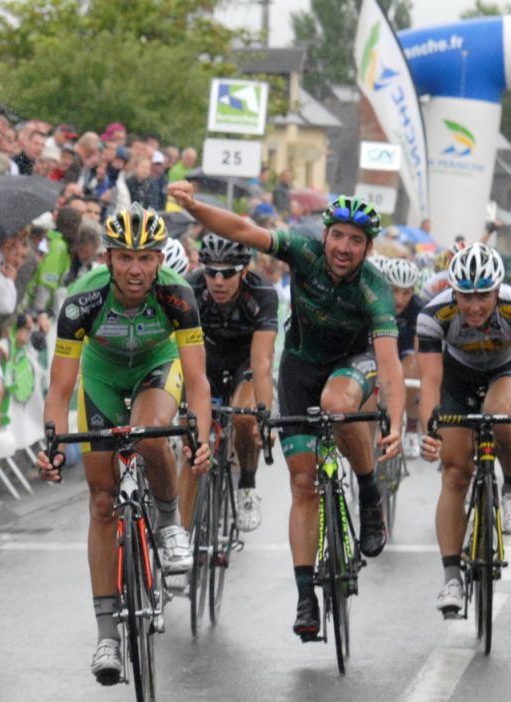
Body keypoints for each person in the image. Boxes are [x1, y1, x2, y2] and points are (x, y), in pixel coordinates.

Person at [169, 184, 406, 640]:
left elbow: (391, 364)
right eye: (338, 236)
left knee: (339, 409)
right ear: (326, 236)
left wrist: (394, 421)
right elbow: (243, 228)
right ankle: (304, 596)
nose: (344, 247)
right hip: (299, 366)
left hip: (353, 363)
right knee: (302, 481)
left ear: (368, 248)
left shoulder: (374, 289)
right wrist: (195, 207)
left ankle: (369, 492)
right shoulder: (303, 252)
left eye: (356, 241)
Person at [37, 203, 212, 685]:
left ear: (160, 261)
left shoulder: (178, 295)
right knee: (100, 502)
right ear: (108, 259)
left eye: (146, 258)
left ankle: (168, 522)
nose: (135, 269)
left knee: (151, 433)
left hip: (158, 367)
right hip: (103, 378)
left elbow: (197, 381)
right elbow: (59, 388)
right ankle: (107, 635)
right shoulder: (82, 300)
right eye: (125, 258)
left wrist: (199, 432)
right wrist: (52, 442)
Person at [418, 244, 511, 615]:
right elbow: (430, 382)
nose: (475, 305)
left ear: (498, 290)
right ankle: (451, 577)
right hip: (457, 376)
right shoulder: (434, 313)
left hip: (506, 369)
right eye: (466, 295)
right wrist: (430, 430)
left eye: (483, 295)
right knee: (454, 472)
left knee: (500, 413)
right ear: (454, 291)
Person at [178, 233, 277, 533]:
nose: (218, 281)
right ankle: (181, 531)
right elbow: (177, 353)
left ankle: (247, 485)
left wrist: (264, 416)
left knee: (244, 417)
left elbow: (262, 363)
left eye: (228, 273)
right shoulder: (190, 290)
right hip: (204, 360)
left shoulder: (262, 294)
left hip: (246, 361)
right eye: (211, 272)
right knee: (190, 431)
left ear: (244, 272)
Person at [375, 255, 426, 458]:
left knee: (411, 374)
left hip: (403, 348)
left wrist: (416, 372)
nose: (399, 298)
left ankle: (412, 429)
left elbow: (418, 346)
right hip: (379, 347)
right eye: (394, 290)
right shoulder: (376, 301)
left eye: (406, 292)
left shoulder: (417, 307)